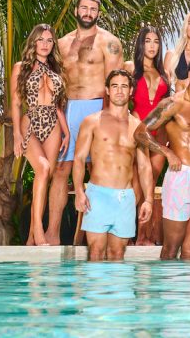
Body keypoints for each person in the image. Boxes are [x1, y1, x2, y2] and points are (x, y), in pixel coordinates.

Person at [49, 0, 123, 245]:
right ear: (76, 11)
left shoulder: (109, 42)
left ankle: (98, 234)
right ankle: (53, 233)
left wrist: (109, 118)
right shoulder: (61, 44)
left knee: (98, 171)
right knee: (61, 170)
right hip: (68, 109)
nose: (88, 13)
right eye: (84, 8)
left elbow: (115, 83)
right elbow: (55, 83)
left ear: (98, 14)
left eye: (93, 9)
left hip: (97, 107)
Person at [139, 56, 190, 260]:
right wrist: (167, 152)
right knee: (171, 247)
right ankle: (168, 282)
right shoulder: (173, 103)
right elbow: (140, 132)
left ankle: (189, 283)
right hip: (181, 176)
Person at [72, 70, 154, 260]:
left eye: (124, 86)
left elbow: (144, 167)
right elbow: (79, 159)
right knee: (96, 252)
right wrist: (79, 191)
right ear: (107, 90)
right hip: (97, 196)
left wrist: (149, 200)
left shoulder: (138, 127)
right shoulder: (91, 122)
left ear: (130, 91)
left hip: (125, 198)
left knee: (117, 254)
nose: (119, 90)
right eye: (115, 86)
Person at [10, 24, 71, 246]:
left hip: (53, 124)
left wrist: (66, 133)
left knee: (46, 177)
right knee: (43, 169)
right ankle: (37, 230)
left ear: (53, 44)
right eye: (41, 40)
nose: (45, 44)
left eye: (49, 40)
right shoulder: (21, 67)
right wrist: (17, 135)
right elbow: (16, 103)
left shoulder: (57, 70)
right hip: (31, 121)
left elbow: (58, 106)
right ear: (33, 42)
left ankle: (30, 239)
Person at [124, 25, 170, 245]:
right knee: (135, 184)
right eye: (147, 41)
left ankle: (143, 236)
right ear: (140, 44)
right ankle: (124, 233)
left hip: (159, 135)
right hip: (136, 132)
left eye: (156, 41)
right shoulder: (130, 68)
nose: (152, 46)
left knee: (150, 183)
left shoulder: (163, 74)